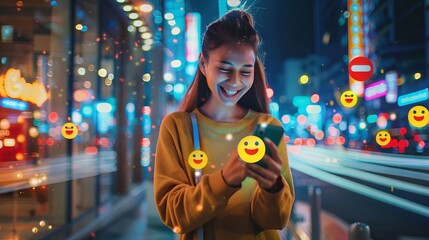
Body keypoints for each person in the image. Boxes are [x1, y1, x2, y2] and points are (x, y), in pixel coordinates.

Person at [154, 9, 295, 240]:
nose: (235, 82)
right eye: (225, 69)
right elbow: (175, 216)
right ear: (203, 63)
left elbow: (274, 221)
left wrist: (273, 188)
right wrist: (226, 180)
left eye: (245, 72)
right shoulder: (178, 127)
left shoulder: (266, 126)